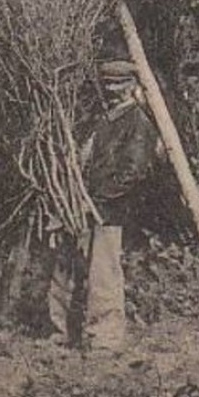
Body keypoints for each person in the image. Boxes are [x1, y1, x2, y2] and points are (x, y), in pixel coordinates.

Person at [48, 59, 167, 352]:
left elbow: (133, 171)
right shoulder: (101, 119)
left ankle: (105, 338)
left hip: (108, 210)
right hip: (80, 205)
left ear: (133, 87)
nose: (113, 91)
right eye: (108, 85)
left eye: (119, 85)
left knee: (103, 273)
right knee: (67, 269)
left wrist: (97, 200)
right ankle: (62, 331)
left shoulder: (137, 123)